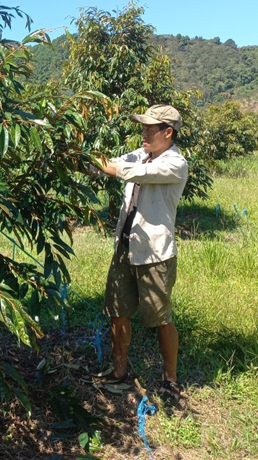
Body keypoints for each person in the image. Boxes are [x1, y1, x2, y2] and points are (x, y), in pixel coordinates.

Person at [94, 104, 188, 403]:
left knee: (160, 318)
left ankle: (170, 378)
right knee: (118, 311)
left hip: (154, 253)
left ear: (168, 132)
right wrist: (77, 160)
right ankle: (119, 370)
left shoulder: (175, 164)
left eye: (150, 128)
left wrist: (90, 158)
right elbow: (108, 163)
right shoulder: (140, 153)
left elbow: (126, 171)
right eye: (143, 127)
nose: (144, 133)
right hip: (125, 246)